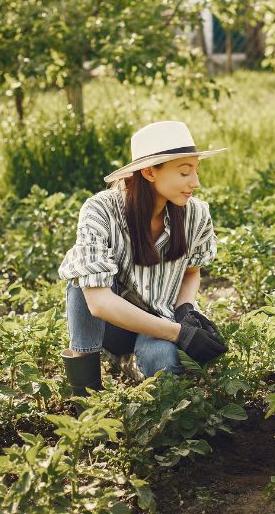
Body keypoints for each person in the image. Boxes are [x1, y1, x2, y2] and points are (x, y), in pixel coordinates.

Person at [58, 120, 228, 397]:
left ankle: (137, 371)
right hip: (111, 326)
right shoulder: (101, 210)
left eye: (196, 171)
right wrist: (178, 334)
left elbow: (191, 271)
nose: (195, 183)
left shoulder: (196, 214)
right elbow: (98, 303)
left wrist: (185, 309)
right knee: (81, 281)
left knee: (163, 362)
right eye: (185, 172)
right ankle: (84, 396)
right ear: (149, 172)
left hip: (160, 318)